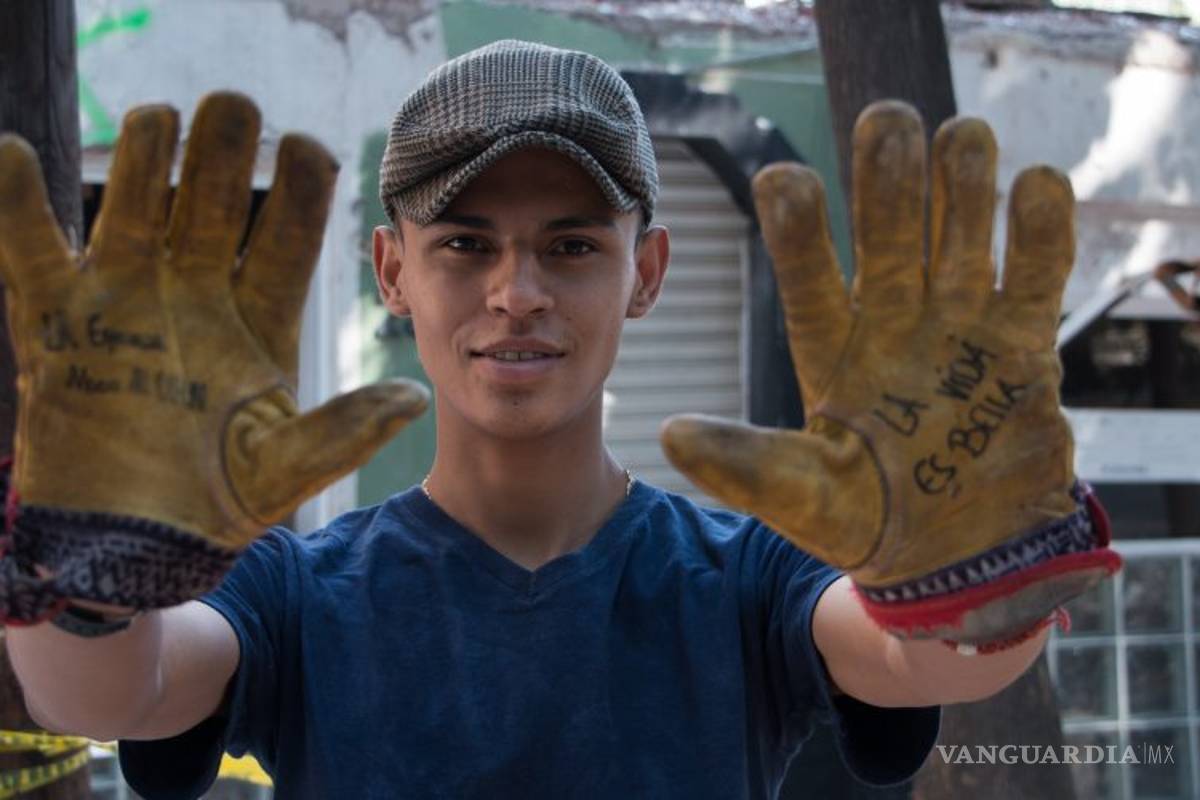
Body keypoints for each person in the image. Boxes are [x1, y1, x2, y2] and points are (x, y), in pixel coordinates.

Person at [0, 40, 1120, 799]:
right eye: (465, 243)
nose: (517, 290)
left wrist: (975, 554)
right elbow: (114, 689)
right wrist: (89, 568)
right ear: (393, 269)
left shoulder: (742, 578)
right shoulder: (298, 590)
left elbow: (921, 659)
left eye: (573, 244)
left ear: (647, 271)